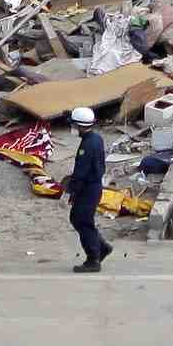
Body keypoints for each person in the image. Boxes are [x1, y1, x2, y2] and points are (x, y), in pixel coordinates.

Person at [66, 106, 111, 273]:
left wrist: (71, 191)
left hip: (88, 188)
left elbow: (80, 172)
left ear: (78, 125)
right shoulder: (96, 139)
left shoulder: (87, 145)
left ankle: (93, 258)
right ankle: (101, 247)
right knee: (80, 219)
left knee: (82, 221)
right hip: (94, 186)